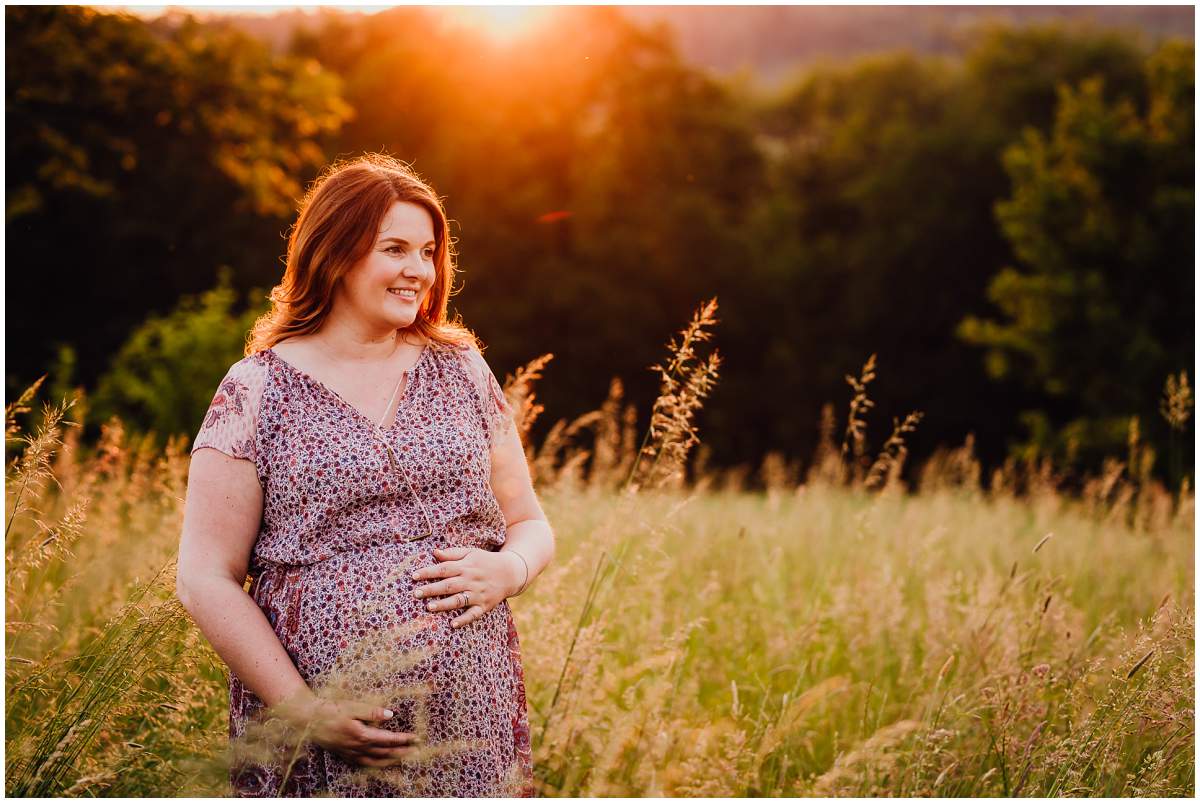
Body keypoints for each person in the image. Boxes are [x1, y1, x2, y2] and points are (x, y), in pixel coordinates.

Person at [175, 153, 554, 797]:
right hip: (319, 726)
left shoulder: (461, 370)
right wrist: (302, 709)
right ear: (336, 253)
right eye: (396, 248)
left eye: (428, 251)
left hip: (470, 713)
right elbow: (204, 577)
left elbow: (529, 523)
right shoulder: (258, 389)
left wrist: (508, 570)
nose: (419, 271)